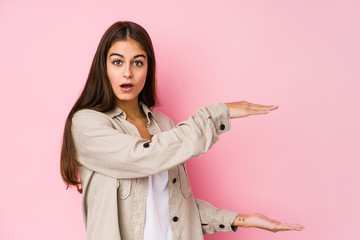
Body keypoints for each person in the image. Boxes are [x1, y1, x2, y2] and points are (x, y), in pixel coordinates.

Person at [60, 21, 304, 240]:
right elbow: (146, 156)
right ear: (103, 68)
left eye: (137, 62)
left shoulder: (164, 125)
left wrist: (240, 218)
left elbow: (175, 206)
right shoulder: (87, 124)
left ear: (148, 68)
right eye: (117, 62)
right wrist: (217, 114)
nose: (127, 72)